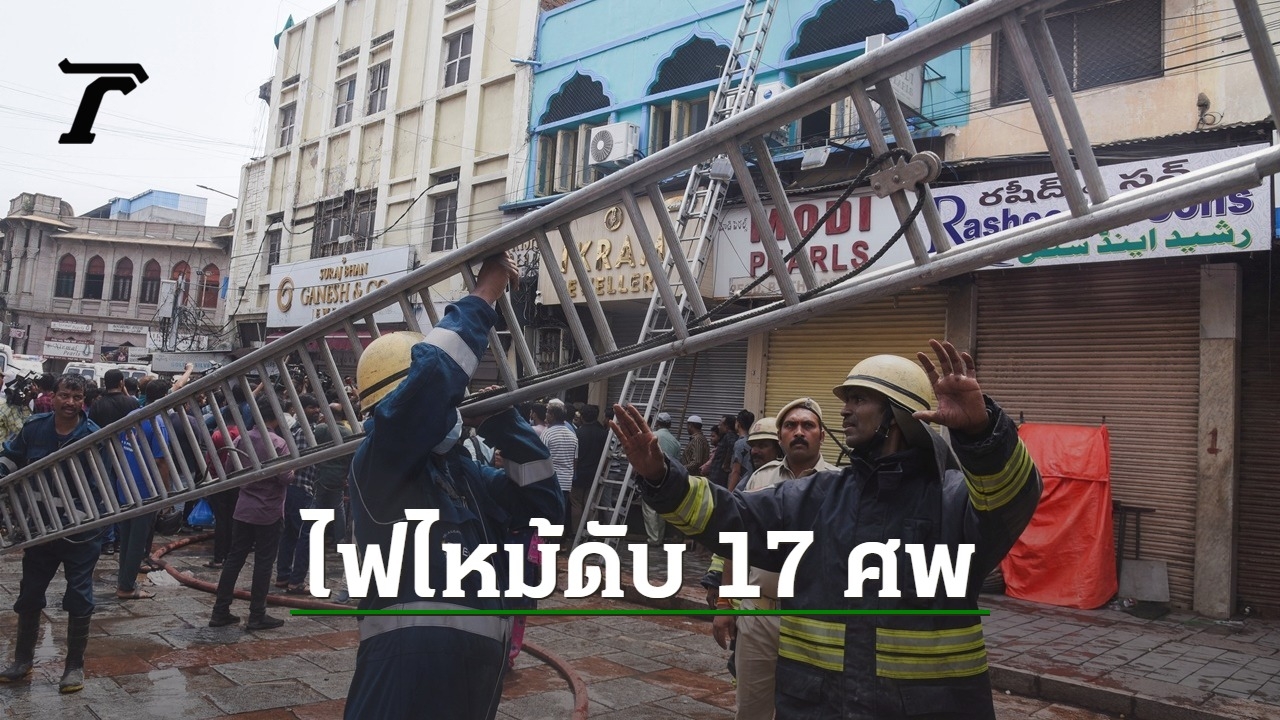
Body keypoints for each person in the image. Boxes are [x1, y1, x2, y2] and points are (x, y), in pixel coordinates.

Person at [611, 341, 1042, 720]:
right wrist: (661, 478)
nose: (844, 410)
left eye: (858, 399)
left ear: (898, 416)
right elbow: (731, 517)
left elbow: (1013, 499)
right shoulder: (814, 498)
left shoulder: (952, 501)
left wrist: (983, 434)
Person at [344, 253, 563, 720]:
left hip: (477, 676)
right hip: (404, 671)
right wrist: (484, 295)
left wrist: (505, 425)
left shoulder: (461, 471)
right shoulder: (382, 462)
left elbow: (544, 510)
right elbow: (430, 384)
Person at [711, 401, 839, 720]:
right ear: (781, 437)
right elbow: (737, 542)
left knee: (810, 710)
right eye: (791, 426)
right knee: (751, 708)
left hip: (815, 621)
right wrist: (726, 604)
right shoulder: (759, 480)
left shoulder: (841, 485)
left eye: (808, 426)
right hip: (759, 616)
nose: (799, 432)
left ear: (822, 435)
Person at [0, 374, 102, 693]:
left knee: (79, 595)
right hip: (41, 527)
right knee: (30, 592)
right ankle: (22, 660)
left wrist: (97, 524)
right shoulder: (35, 428)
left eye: (77, 397)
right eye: (65, 395)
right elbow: (10, 458)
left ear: (83, 400)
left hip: (80, 530)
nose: (70, 402)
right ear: (53, 396)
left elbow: (105, 486)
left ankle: (74, 666)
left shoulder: (94, 435)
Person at [208, 396, 294, 631]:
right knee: (263, 564)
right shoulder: (279, 443)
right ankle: (257, 614)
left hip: (244, 508)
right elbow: (286, 477)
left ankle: (220, 610)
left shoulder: (241, 440)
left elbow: (230, 470)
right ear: (277, 416)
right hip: (269, 512)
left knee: (234, 559)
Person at [114, 377, 174, 600]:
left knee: (127, 538)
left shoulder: (133, 415)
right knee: (137, 541)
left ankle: (124, 580)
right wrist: (166, 494)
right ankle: (126, 586)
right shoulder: (157, 422)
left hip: (125, 486)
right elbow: (161, 461)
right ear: (165, 396)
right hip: (145, 490)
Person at [276, 394, 321, 594]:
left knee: (290, 533)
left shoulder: (296, 428)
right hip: (301, 488)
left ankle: (283, 575)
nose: (317, 411)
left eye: (318, 407)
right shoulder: (304, 432)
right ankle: (296, 581)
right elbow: (302, 462)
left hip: (295, 489)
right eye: (312, 407)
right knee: (307, 535)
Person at [641, 412, 683, 547]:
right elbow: (677, 462)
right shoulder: (675, 442)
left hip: (651, 475)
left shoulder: (652, 436)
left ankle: (654, 538)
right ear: (669, 425)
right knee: (661, 508)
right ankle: (660, 536)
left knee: (649, 507)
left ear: (658, 423)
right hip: (668, 478)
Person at [570, 404, 608, 533]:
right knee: (591, 504)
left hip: (578, 473)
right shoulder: (603, 434)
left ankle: (576, 532)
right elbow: (606, 456)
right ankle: (592, 532)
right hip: (595, 473)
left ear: (582, 417)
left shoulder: (577, 433)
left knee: (576, 503)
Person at [541, 402, 577, 517]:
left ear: (552, 415)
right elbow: (574, 461)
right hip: (566, 483)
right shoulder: (573, 436)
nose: (545, 415)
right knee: (560, 515)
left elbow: (542, 459)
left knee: (548, 516)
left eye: (547, 412)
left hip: (550, 483)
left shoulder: (547, 434)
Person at [727, 409, 756, 492]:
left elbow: (736, 471)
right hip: (751, 484)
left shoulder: (739, 443)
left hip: (740, 488)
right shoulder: (752, 441)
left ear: (738, 423)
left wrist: (729, 492)